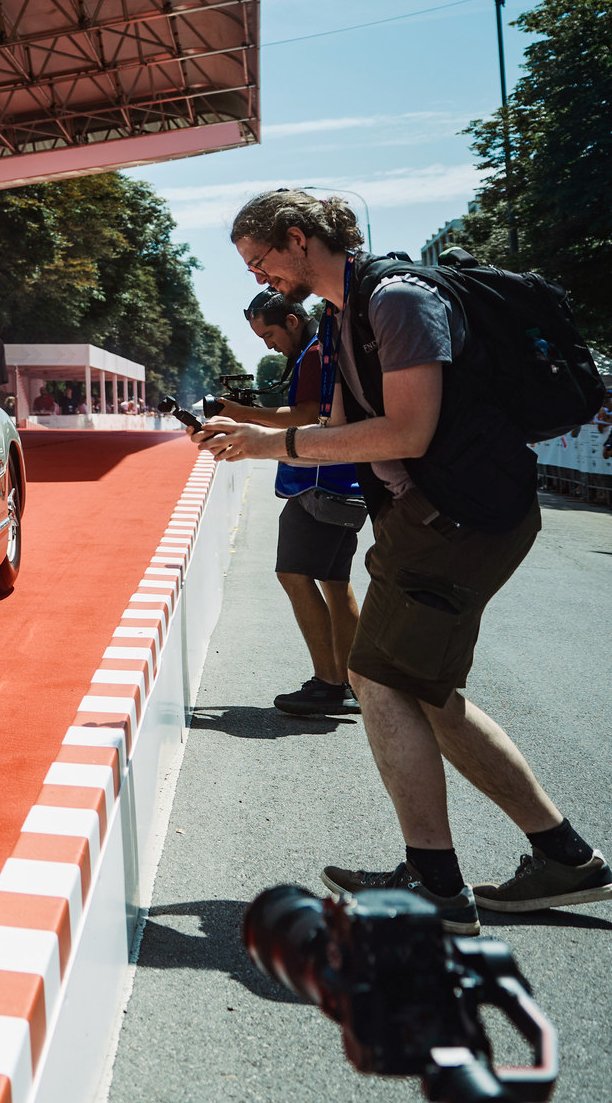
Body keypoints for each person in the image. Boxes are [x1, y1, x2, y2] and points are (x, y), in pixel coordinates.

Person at [197, 187, 611, 931]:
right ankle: (565, 857)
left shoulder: (397, 300)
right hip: (427, 520)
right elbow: (336, 427)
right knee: (424, 691)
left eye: (260, 259)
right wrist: (252, 434)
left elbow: (409, 431)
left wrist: (273, 444)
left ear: (297, 237)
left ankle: (437, 885)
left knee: (378, 680)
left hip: (460, 519)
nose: (259, 277)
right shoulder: (343, 313)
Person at [207, 290, 365, 717]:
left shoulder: (314, 352)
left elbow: (307, 414)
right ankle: (353, 684)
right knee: (335, 582)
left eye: (270, 335)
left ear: (293, 321)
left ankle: (329, 684)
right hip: (346, 482)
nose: (269, 345)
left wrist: (242, 414)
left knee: (293, 574)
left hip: (317, 482)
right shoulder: (323, 345)